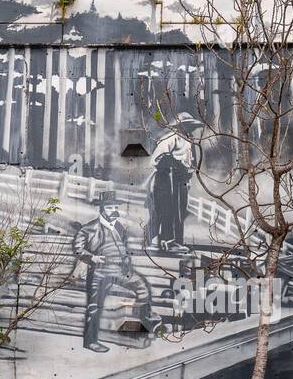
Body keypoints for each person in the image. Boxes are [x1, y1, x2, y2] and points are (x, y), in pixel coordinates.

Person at [73, 191, 154, 353]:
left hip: (120, 271)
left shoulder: (119, 227)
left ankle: (143, 324)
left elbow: (124, 249)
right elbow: (77, 249)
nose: (114, 210)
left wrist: (126, 263)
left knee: (143, 287)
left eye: (115, 207)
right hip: (100, 272)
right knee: (94, 306)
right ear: (102, 209)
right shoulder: (90, 228)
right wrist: (92, 258)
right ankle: (91, 341)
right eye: (110, 207)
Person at [145, 113, 200, 252]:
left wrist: (187, 174)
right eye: (187, 125)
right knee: (166, 209)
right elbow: (155, 160)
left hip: (181, 180)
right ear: (180, 125)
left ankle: (175, 241)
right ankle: (164, 240)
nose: (190, 128)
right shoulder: (171, 138)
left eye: (191, 126)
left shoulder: (189, 140)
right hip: (166, 179)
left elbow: (190, 163)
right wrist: (174, 164)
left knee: (180, 210)